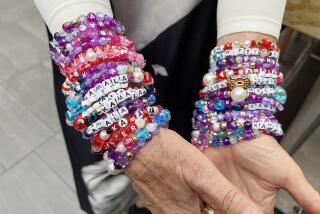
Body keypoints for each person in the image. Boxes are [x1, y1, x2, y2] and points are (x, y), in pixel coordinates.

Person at [34, 0, 320, 213]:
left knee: (196, 176)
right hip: (90, 37)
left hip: (203, 31)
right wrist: (121, 114)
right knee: (113, 183)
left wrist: (238, 105)